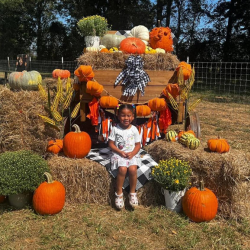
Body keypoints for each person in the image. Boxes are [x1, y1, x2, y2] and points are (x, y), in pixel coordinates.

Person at [108, 104, 141, 209]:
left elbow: (138, 145)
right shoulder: (115, 129)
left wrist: (133, 153)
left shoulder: (134, 129)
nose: (126, 118)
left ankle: (132, 193)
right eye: (123, 115)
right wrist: (119, 152)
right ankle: (119, 194)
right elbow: (111, 144)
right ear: (118, 116)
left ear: (132, 117)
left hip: (131, 154)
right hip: (119, 154)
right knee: (122, 169)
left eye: (128, 115)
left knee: (133, 169)